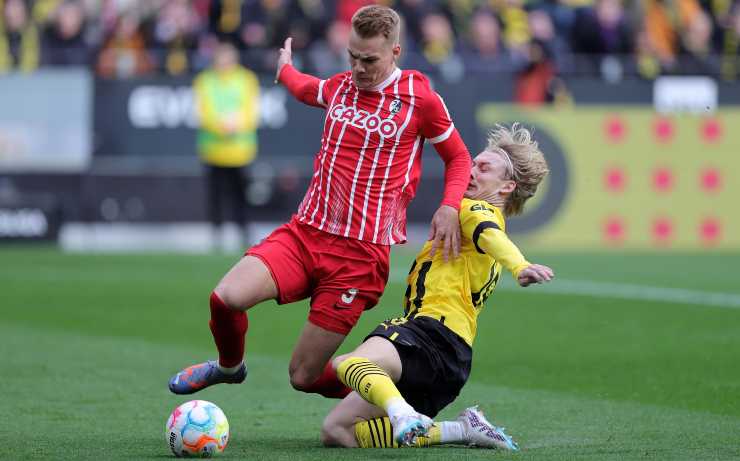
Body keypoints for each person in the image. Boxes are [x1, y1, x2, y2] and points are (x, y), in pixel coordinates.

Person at [168, 5, 471, 400]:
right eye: (353, 56)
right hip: (305, 234)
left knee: (303, 376)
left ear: (395, 53)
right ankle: (229, 367)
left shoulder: (420, 99)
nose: (359, 68)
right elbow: (306, 88)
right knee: (225, 299)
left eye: (370, 60)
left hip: (358, 258)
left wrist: (449, 205)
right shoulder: (341, 86)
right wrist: (286, 70)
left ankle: (400, 396)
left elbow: (459, 157)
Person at [320, 123, 554, 449]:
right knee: (338, 430)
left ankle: (402, 412)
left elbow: (490, 234)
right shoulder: (475, 219)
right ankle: (462, 430)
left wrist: (521, 266)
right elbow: (491, 237)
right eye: (472, 163)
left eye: (483, 167)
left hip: (432, 335)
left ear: (506, 187)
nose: (471, 171)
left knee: (348, 364)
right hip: (452, 361)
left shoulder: (475, 209)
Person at [192, 41, 260, 250]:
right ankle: (217, 236)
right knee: (215, 196)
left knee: (241, 196)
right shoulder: (204, 81)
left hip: (240, 151)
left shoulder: (247, 80)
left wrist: (236, 124)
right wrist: (222, 126)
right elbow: (202, 112)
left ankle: (244, 234)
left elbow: (251, 112)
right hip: (213, 150)